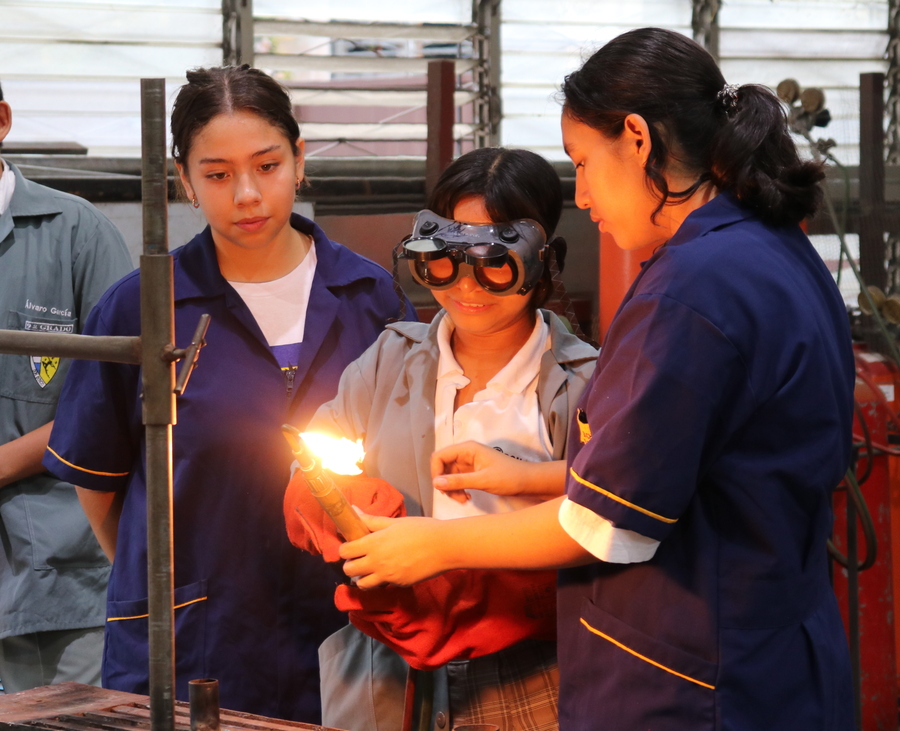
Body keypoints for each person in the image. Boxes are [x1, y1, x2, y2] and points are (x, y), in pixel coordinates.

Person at [335, 27, 857, 731]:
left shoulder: (690, 290)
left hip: (695, 680)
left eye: (582, 162)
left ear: (637, 139)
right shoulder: (775, 250)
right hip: (774, 655)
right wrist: (529, 478)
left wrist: (432, 544)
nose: (582, 195)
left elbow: (606, 525)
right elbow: (694, 468)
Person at [43, 65, 412, 722]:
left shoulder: (370, 296)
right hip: (196, 647)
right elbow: (101, 492)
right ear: (183, 179)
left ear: (299, 160)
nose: (247, 193)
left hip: (347, 633)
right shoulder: (141, 308)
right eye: (217, 174)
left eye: (267, 165)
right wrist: (174, 583)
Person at [297, 147, 598, 731]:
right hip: (390, 673)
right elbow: (312, 461)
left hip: (533, 677)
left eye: (495, 263)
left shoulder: (585, 384)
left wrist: (494, 588)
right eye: (442, 261)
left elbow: (610, 511)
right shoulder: (391, 359)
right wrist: (337, 509)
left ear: (544, 262)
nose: (467, 285)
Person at [0, 80, 133, 693]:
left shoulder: (76, 232)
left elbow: (121, 399)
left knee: (79, 713)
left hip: (67, 571)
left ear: (1, 120)